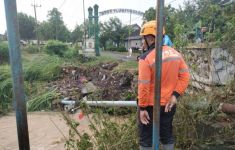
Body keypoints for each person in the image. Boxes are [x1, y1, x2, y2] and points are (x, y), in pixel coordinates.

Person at [138, 20, 190, 150]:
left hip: (150, 106)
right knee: (166, 135)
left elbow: (143, 86)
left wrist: (142, 108)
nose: (142, 42)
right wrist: (175, 96)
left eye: (143, 39)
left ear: (150, 38)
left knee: (146, 139)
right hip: (169, 104)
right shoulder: (176, 54)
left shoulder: (146, 58)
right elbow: (185, 76)